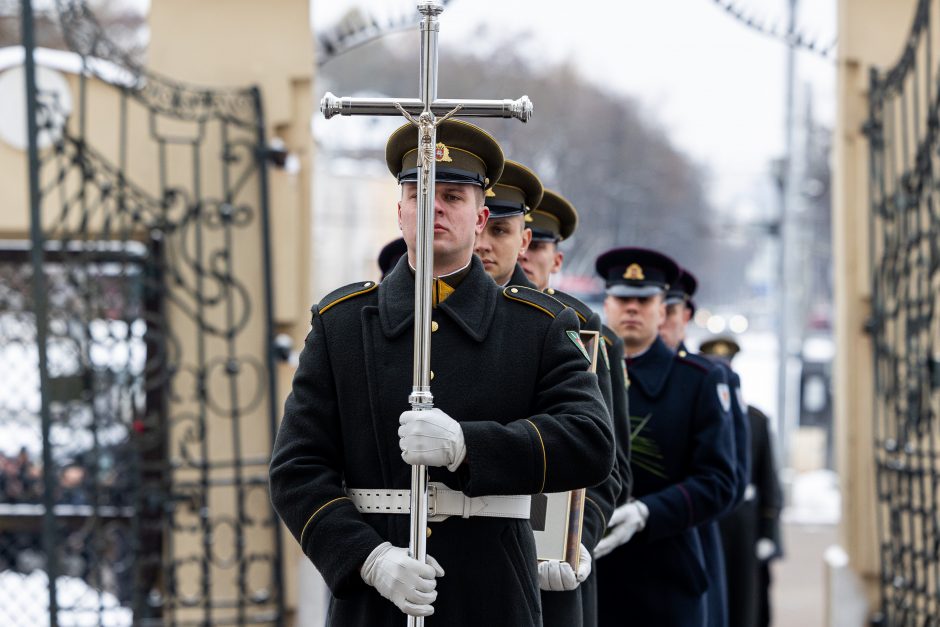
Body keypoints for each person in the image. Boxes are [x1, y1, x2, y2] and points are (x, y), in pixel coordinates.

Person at [269, 119, 614, 626]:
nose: (434, 207)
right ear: (400, 208)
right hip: (375, 599)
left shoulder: (536, 326)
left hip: (492, 594)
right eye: (419, 192)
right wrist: (368, 558)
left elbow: (590, 440)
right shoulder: (340, 324)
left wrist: (468, 446)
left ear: (480, 218)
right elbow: (296, 469)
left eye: (453, 196)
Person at [478, 178, 625, 627]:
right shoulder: (427, 319)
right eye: (481, 227)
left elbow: (607, 463)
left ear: (522, 241)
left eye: (500, 231)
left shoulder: (576, 326)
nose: (484, 243)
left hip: (545, 570)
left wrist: (576, 539)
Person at [593, 247, 737, 627]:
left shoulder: (698, 381)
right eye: (623, 298)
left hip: (665, 576)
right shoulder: (579, 373)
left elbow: (720, 481)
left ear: (663, 309)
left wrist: (647, 513)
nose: (632, 309)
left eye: (645, 300)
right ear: (607, 305)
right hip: (590, 575)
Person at [659, 268, 749, 627]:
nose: (659, 318)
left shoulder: (710, 378)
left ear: (686, 316)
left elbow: (732, 477)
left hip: (688, 539)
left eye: (669, 309)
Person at [700, 337, 784, 627]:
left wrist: (768, 532)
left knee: (745, 596)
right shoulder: (699, 414)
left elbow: (768, 480)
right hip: (709, 515)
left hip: (744, 523)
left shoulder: (756, 419)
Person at [473, 159, 541, 287]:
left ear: (524, 241)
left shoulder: (540, 307)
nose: (482, 245)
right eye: (474, 228)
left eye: (499, 231)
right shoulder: (428, 302)